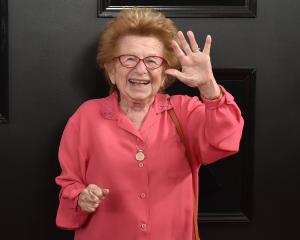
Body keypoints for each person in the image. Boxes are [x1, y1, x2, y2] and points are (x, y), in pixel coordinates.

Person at [55, 8, 244, 240]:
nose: (141, 69)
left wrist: (208, 86)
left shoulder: (184, 110)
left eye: (152, 61)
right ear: (111, 71)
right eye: (129, 59)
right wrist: (81, 198)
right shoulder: (86, 117)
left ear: (165, 73)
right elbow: (69, 184)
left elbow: (225, 142)